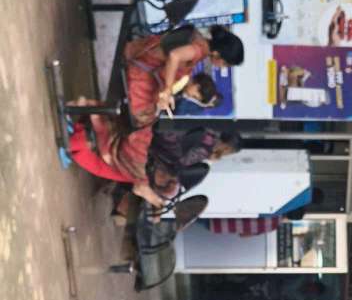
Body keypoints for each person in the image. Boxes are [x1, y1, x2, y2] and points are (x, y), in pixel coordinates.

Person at [83, 24, 244, 187]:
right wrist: (166, 91)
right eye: (226, 64)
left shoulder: (196, 39)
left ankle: (95, 115)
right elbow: (175, 56)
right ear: (218, 55)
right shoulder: (198, 49)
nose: (223, 68)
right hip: (140, 73)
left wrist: (168, 93)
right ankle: (105, 145)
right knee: (140, 130)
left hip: (141, 67)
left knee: (144, 123)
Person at [67, 71, 221, 205]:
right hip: (142, 116)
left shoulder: (183, 98)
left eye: (196, 98)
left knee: (133, 167)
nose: (192, 98)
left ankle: (88, 118)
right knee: (128, 166)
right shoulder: (178, 84)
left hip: (145, 119)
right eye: (195, 95)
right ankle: (86, 132)